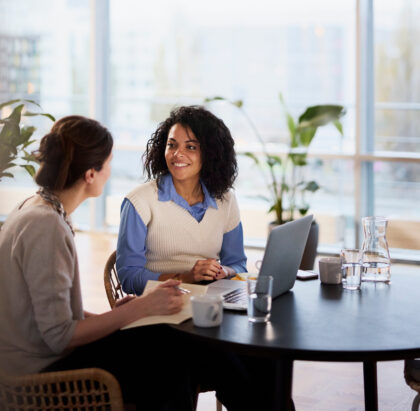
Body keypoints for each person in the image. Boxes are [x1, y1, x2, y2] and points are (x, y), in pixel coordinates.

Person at [0, 116, 195, 410]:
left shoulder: (35, 207)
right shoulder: (46, 226)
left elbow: (47, 312)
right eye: (109, 163)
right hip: (37, 376)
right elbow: (59, 337)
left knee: (162, 340)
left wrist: (121, 314)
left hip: (35, 357)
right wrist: (141, 308)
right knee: (169, 356)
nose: (110, 171)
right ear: (91, 173)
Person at [117, 105, 247, 295]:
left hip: (209, 300)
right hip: (159, 303)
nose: (177, 154)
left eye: (191, 147)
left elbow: (238, 264)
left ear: (210, 153)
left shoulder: (226, 200)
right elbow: (129, 278)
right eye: (172, 145)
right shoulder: (139, 202)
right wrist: (185, 278)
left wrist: (224, 271)